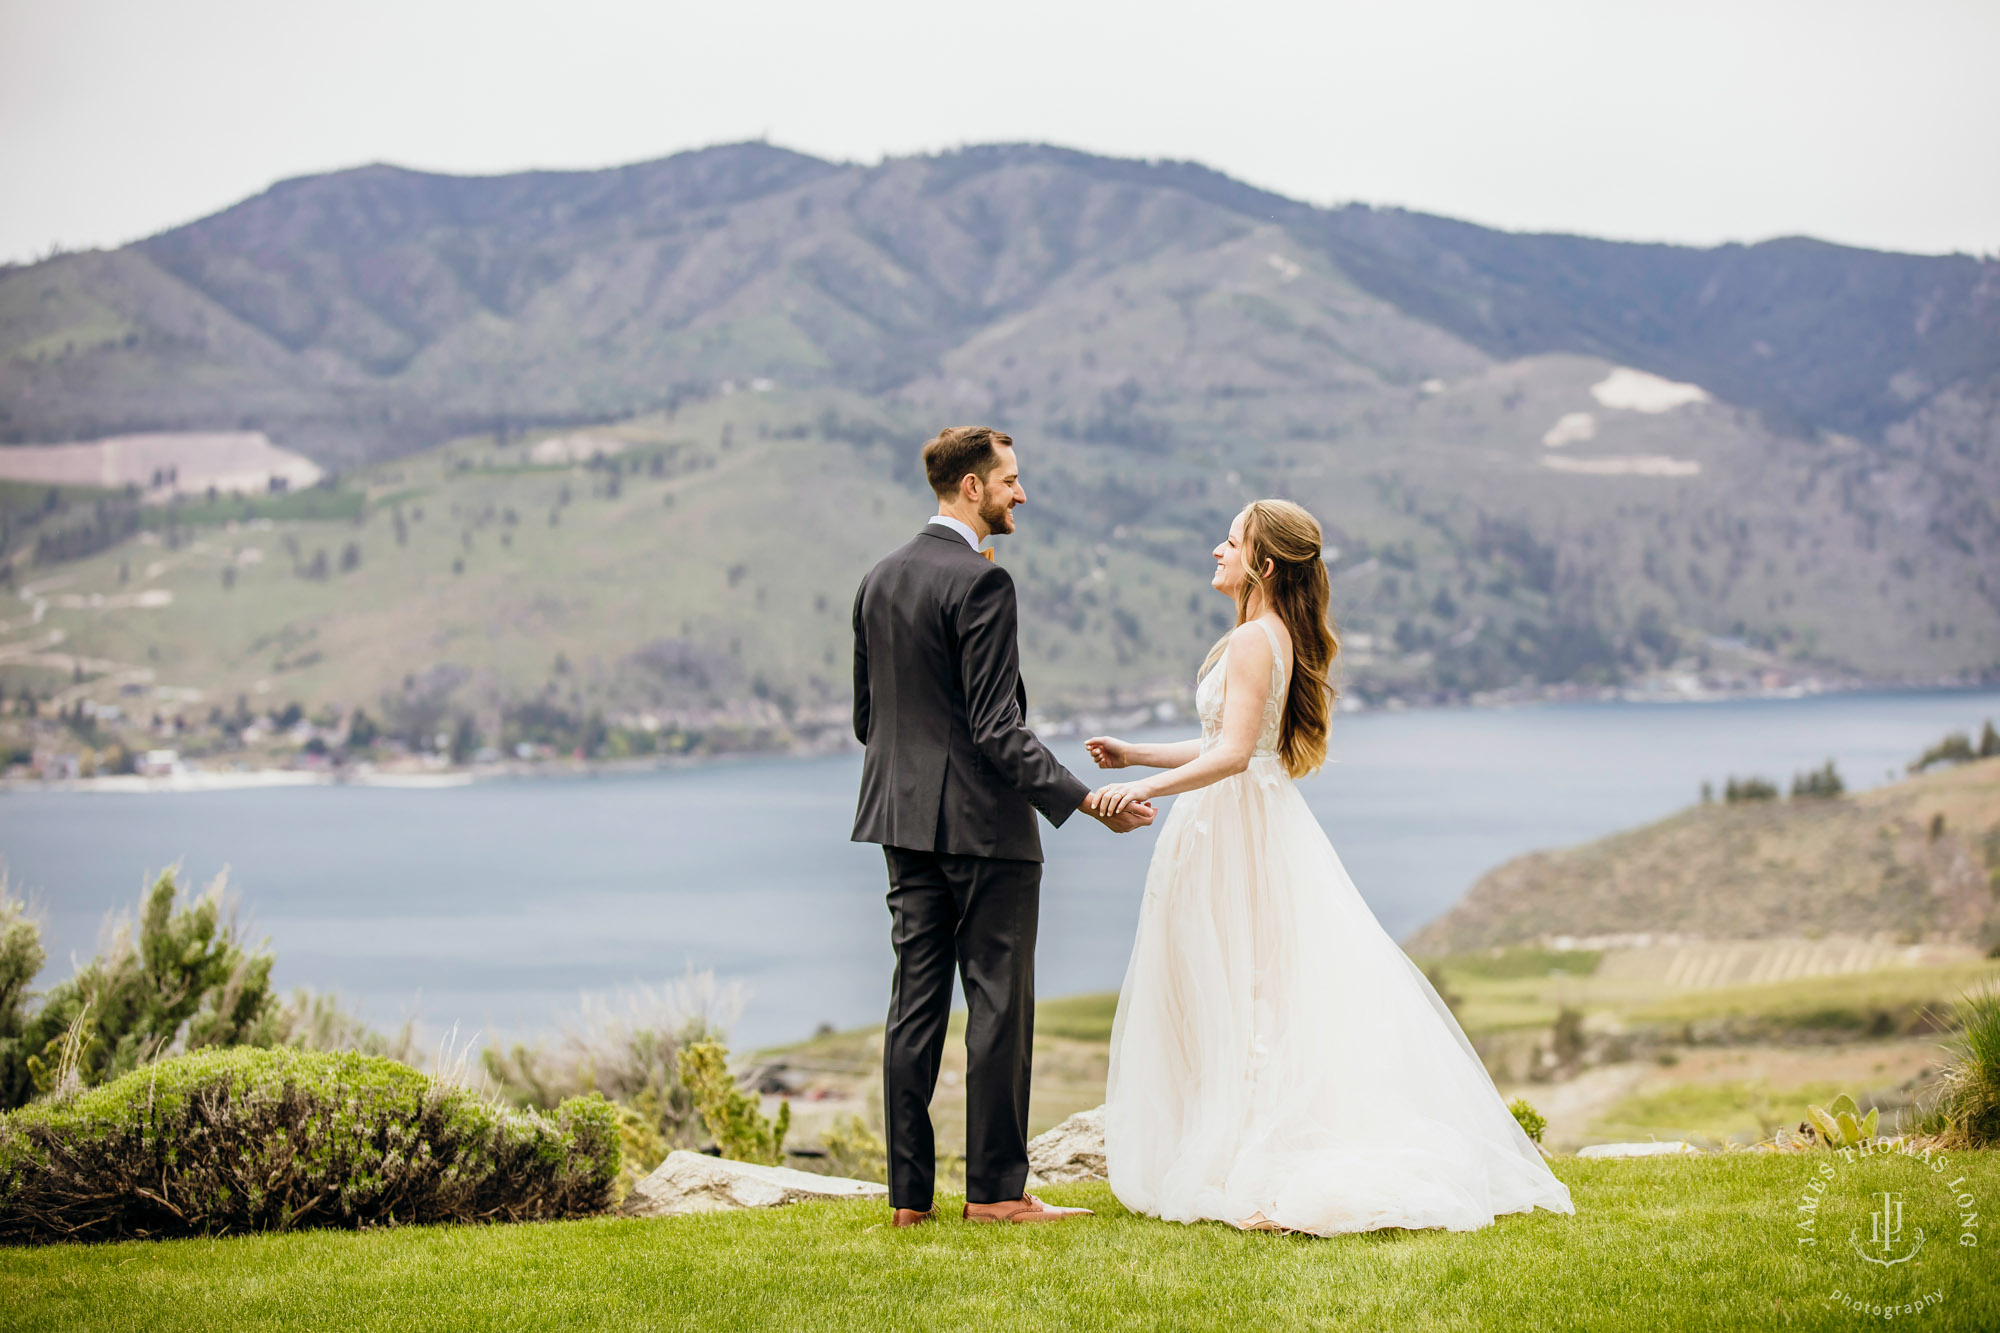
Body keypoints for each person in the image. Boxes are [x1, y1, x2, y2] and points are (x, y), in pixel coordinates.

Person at [1084, 499, 1575, 1235]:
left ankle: (1249, 1155)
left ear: (1265, 563)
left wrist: (1138, 787)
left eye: (1230, 541)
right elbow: (1232, 743)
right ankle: (1232, 1140)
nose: (1215, 551)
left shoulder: (1254, 638)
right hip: (1242, 817)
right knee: (1244, 986)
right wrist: (1137, 751)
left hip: (1236, 829)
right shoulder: (1268, 634)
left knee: (1243, 987)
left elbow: (1229, 754)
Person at [850, 425, 1155, 1229]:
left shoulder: (877, 580)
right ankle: (994, 1193)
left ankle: (908, 1201)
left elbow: (865, 721)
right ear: (971, 488)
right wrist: (1087, 799)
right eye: (1010, 480)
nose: (1020, 493)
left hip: (899, 820)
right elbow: (995, 729)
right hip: (986, 831)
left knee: (913, 1006)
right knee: (998, 1005)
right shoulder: (985, 585)